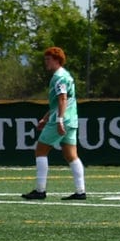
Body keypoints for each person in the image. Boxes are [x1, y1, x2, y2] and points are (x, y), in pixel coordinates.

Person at [24, 46, 86, 201]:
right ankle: (80, 191)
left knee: (40, 151)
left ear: (57, 60)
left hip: (62, 119)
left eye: (48, 59)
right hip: (71, 119)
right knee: (71, 155)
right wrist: (45, 118)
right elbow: (57, 103)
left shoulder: (59, 77)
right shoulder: (65, 75)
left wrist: (58, 120)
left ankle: (40, 190)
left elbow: (62, 99)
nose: (46, 62)